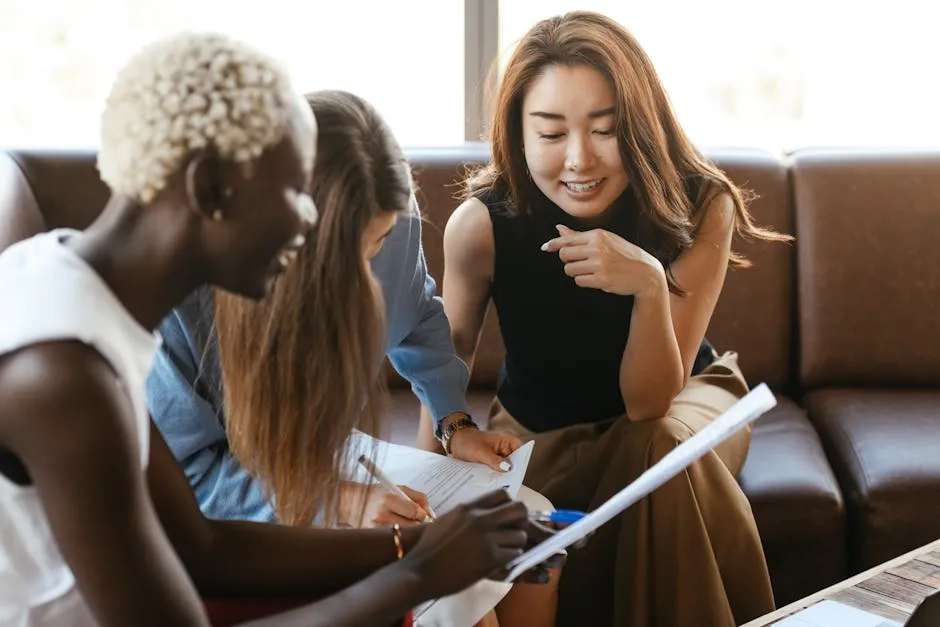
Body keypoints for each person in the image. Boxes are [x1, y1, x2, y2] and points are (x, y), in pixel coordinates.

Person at [0, 32, 550, 627]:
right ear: (211, 189)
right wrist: (417, 574)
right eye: (293, 193)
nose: (305, 221)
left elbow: (201, 546)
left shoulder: (77, 293)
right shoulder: (62, 376)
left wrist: (419, 546)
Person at [415, 10, 792, 627]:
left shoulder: (701, 205)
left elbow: (650, 405)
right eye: (552, 132)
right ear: (518, 133)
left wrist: (648, 286)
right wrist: (424, 486)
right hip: (541, 427)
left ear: (639, 125)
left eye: (605, 129)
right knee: (645, 459)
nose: (580, 160)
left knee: (659, 446)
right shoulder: (481, 225)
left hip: (685, 403)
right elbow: (442, 363)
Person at [150, 88, 561, 627]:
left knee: (529, 520)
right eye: (348, 250)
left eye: (381, 241)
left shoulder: (393, 223)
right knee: (462, 597)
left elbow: (417, 315)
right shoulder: (181, 295)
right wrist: (338, 501)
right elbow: (189, 480)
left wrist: (453, 422)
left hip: (325, 455)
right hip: (235, 506)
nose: (367, 273)